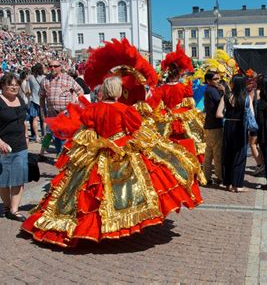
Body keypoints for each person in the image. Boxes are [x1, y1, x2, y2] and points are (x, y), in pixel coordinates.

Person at [21, 76, 205, 247]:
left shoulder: (92, 109)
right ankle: (116, 224)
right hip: (120, 150)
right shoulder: (125, 110)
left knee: (87, 191)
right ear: (117, 91)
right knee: (132, 186)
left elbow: (87, 130)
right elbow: (135, 130)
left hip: (96, 153)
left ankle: (87, 225)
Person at [0, 73, 29, 222]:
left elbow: (23, 121)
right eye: (10, 84)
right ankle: (6, 206)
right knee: (3, 180)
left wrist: (26, 137)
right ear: (3, 86)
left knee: (19, 178)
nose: (14, 87)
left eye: (16, 84)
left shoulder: (21, 100)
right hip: (0, 146)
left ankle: (14, 210)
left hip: (20, 145)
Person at [39, 60, 84, 156]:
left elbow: (80, 91)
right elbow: (42, 98)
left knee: (63, 137)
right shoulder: (45, 81)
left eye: (55, 66)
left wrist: (76, 104)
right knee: (50, 135)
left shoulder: (68, 79)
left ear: (60, 67)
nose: (53, 68)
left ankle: (61, 157)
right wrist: (43, 114)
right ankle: (44, 153)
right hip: (52, 114)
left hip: (65, 114)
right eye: (50, 66)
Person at [216, 75, 250, 192]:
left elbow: (219, 114)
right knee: (239, 155)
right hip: (240, 126)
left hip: (229, 126)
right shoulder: (246, 97)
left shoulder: (226, 96)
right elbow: (251, 115)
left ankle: (228, 183)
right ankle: (237, 185)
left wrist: (228, 116)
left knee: (227, 154)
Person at [203, 72, 224, 185]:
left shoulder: (210, 90)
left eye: (219, 78)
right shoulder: (212, 90)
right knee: (217, 152)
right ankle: (220, 176)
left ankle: (206, 177)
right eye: (215, 79)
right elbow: (221, 102)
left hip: (210, 125)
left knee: (209, 152)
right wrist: (224, 91)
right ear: (209, 81)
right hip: (215, 125)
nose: (218, 81)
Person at [28, 63, 46, 142]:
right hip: (43, 100)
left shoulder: (31, 78)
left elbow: (28, 90)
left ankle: (37, 136)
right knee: (44, 119)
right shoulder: (45, 78)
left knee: (35, 119)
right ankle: (44, 135)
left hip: (34, 100)